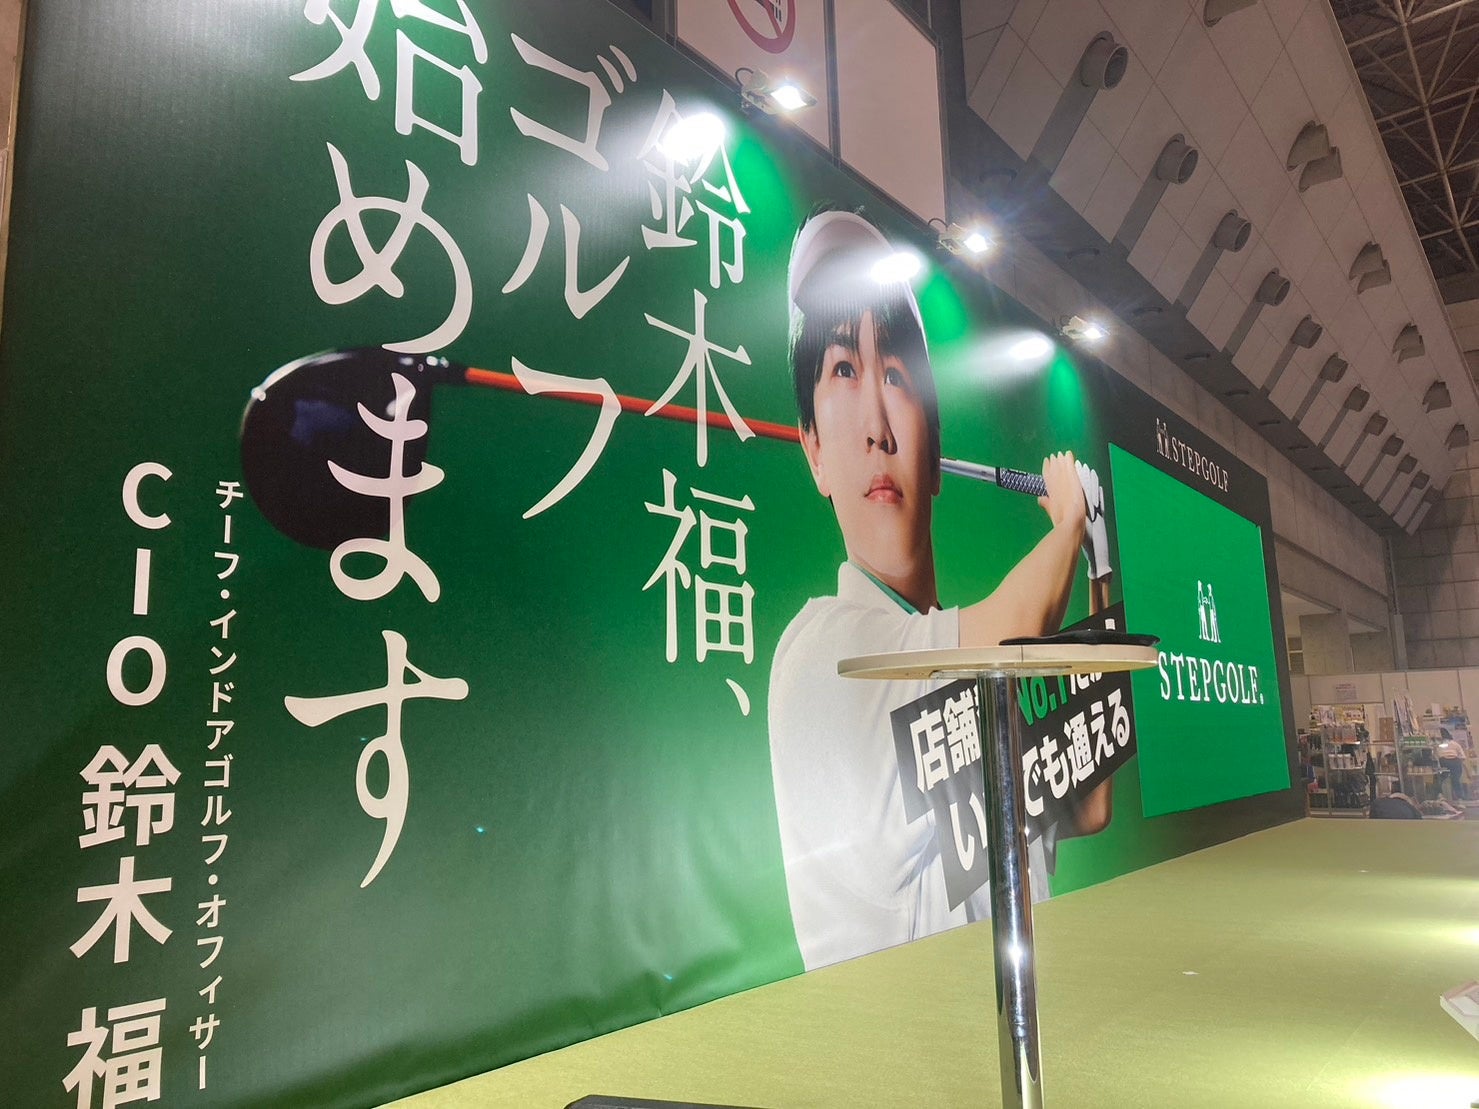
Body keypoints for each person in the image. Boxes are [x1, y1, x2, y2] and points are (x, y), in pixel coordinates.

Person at [767, 209, 1113, 971]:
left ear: (932, 452)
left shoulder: (968, 682)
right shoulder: (824, 651)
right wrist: (1067, 526)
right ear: (813, 451)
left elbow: (1089, 802)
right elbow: (1016, 623)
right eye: (843, 370)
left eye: (895, 375)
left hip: (1015, 1025)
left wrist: (1099, 567)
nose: (876, 427)